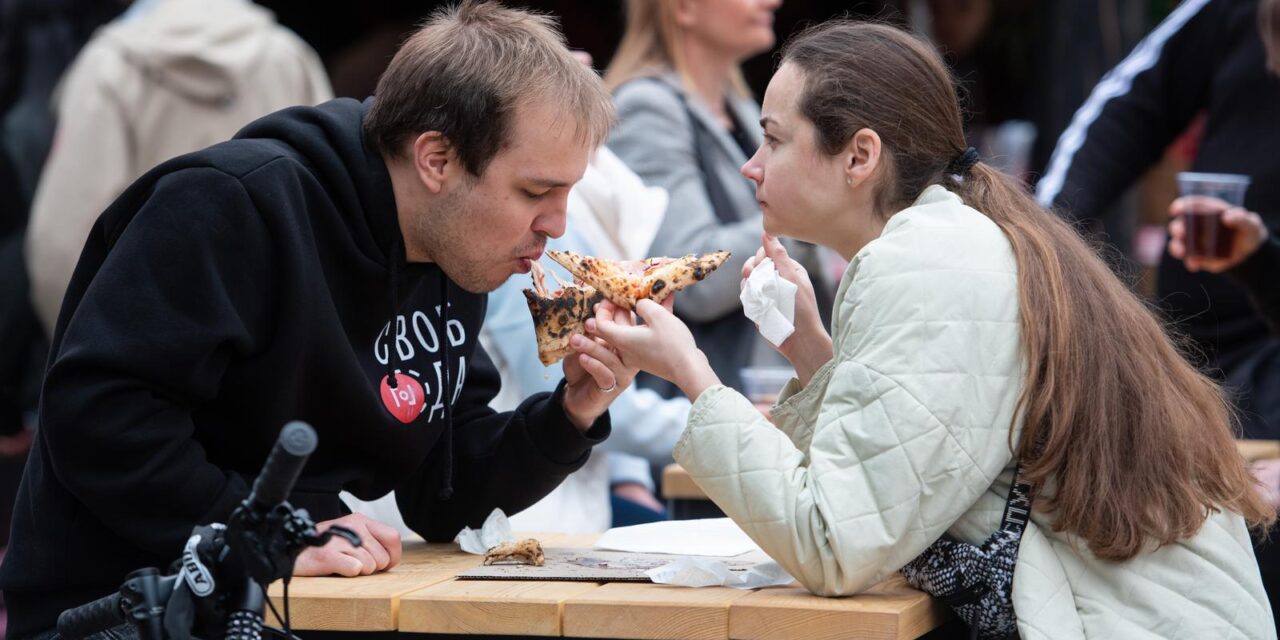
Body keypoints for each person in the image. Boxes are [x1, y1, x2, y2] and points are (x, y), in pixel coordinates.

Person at [592, 20, 1276, 638]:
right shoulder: (946, 238)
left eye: (773, 138)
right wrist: (808, 351)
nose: (753, 165)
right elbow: (892, 478)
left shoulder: (923, 264)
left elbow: (835, 545)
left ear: (860, 157)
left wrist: (690, 373)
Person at [0, 2, 634, 637]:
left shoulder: (451, 253)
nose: (555, 224)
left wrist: (571, 412)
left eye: (568, 194)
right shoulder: (230, 204)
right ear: (436, 160)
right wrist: (269, 536)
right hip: (121, 611)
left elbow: (443, 494)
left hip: (284, 606)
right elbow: (97, 416)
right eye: (535, 192)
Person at [1036, 0, 1280, 442]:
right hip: (1183, 352)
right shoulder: (1235, 13)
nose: (1269, 66)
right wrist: (1042, 236)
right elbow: (1130, 105)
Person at [24, 0, 333, 335]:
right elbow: (329, 209)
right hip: (276, 349)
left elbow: (60, 249)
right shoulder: (290, 57)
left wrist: (93, 355)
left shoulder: (108, 67)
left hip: (144, 350)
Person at [603, 0, 831, 394]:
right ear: (684, 7)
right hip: (693, 401)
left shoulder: (740, 107)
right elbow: (686, 276)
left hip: (753, 391)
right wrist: (811, 217)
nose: (771, 2)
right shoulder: (647, 107)